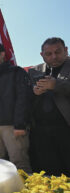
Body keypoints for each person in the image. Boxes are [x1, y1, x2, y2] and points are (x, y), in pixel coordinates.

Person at [0, 43, 32, 172]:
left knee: (19, 163)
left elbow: (23, 99)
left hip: (11, 125)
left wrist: (19, 124)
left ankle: (25, 192)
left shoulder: (16, 72)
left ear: (2, 54)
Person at [28, 37, 70, 176]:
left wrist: (56, 85)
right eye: (48, 54)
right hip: (40, 132)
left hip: (65, 129)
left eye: (58, 52)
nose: (54, 57)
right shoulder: (35, 70)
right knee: (48, 173)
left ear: (66, 50)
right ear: (42, 55)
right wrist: (34, 92)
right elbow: (23, 98)